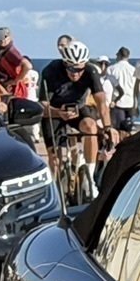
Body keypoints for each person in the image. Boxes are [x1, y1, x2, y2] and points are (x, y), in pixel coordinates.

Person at [40, 39, 112, 177]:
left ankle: (89, 176)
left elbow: (101, 102)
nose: (75, 74)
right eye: (71, 69)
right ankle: (58, 184)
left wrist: (108, 127)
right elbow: (43, 106)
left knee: (91, 127)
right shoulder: (51, 71)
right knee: (55, 159)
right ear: (65, 63)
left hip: (78, 109)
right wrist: (58, 113)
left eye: (79, 69)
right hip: (54, 111)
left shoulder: (91, 71)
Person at [106, 45, 138, 132]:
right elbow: (136, 88)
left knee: (118, 128)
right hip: (130, 102)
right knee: (129, 128)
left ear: (119, 55)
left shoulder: (111, 69)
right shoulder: (133, 70)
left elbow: (109, 87)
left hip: (117, 102)